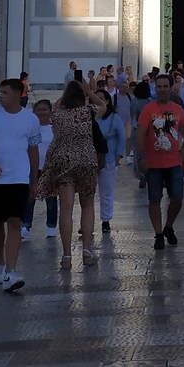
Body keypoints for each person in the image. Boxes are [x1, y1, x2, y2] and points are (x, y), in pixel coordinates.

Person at [0, 78, 41, 294]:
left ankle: (11, 272)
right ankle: (0, 262)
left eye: (5, 92)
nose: (1, 96)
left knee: (15, 221)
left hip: (19, 179)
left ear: (17, 94)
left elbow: (33, 151)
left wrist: (34, 180)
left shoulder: (30, 120)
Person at [36, 79, 103, 268]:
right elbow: (102, 104)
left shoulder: (57, 112)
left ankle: (66, 256)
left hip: (64, 161)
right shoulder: (88, 112)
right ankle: (87, 251)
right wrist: (88, 91)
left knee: (66, 208)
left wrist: (66, 92)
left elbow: (55, 105)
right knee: (87, 206)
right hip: (87, 161)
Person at [136, 72, 184, 250]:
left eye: (165, 86)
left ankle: (169, 226)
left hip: (174, 163)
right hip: (154, 163)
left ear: (171, 87)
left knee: (178, 198)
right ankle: (158, 233)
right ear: (155, 88)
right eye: (159, 87)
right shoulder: (148, 110)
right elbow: (141, 134)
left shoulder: (178, 109)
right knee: (154, 199)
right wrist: (141, 158)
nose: (162, 90)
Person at [93, 87, 126, 234]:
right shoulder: (89, 118)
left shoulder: (114, 118)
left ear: (107, 101)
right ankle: (86, 221)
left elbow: (122, 137)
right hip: (90, 159)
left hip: (109, 159)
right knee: (87, 193)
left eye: (101, 98)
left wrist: (119, 155)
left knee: (106, 191)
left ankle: (105, 219)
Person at [26, 97, 59, 237]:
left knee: (51, 197)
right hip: (32, 167)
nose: (42, 112)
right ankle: (26, 225)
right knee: (29, 197)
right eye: (39, 110)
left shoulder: (55, 129)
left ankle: (51, 226)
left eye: (45, 109)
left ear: (50, 111)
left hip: (50, 168)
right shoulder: (30, 129)